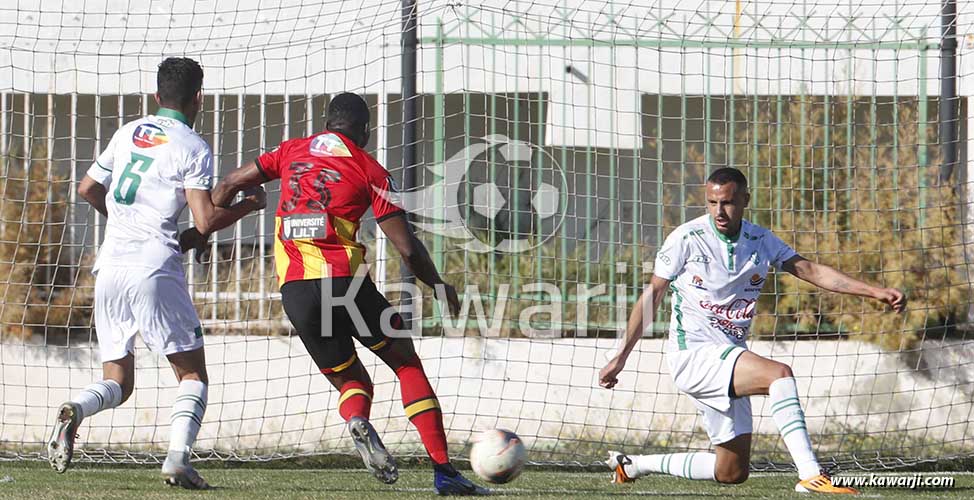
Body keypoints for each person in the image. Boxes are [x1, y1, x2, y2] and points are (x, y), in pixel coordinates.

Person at [196, 92, 488, 495]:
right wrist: (439, 286)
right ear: (365, 130)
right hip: (344, 287)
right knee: (405, 363)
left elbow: (229, 182)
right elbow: (407, 247)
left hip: (296, 295)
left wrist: (202, 232)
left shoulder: (290, 152)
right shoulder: (371, 169)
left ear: (328, 122)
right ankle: (444, 472)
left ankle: (356, 420)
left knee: (352, 379)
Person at [599, 168, 905, 494]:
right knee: (779, 375)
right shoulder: (686, 238)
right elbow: (653, 295)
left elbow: (810, 270)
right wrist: (620, 357)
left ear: (745, 199)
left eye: (728, 202)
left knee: (731, 471)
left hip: (730, 357)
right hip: (694, 356)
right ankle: (811, 474)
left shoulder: (760, 239)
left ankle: (633, 464)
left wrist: (873, 291)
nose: (719, 211)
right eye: (712, 202)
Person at [48, 57, 266, 489]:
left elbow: (88, 188)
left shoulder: (128, 132)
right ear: (199, 97)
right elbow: (203, 221)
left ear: (155, 95)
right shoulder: (191, 145)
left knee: (119, 381)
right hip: (154, 267)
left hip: (109, 266)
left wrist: (123, 220)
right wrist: (248, 206)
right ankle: (178, 460)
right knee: (192, 375)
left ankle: (76, 408)